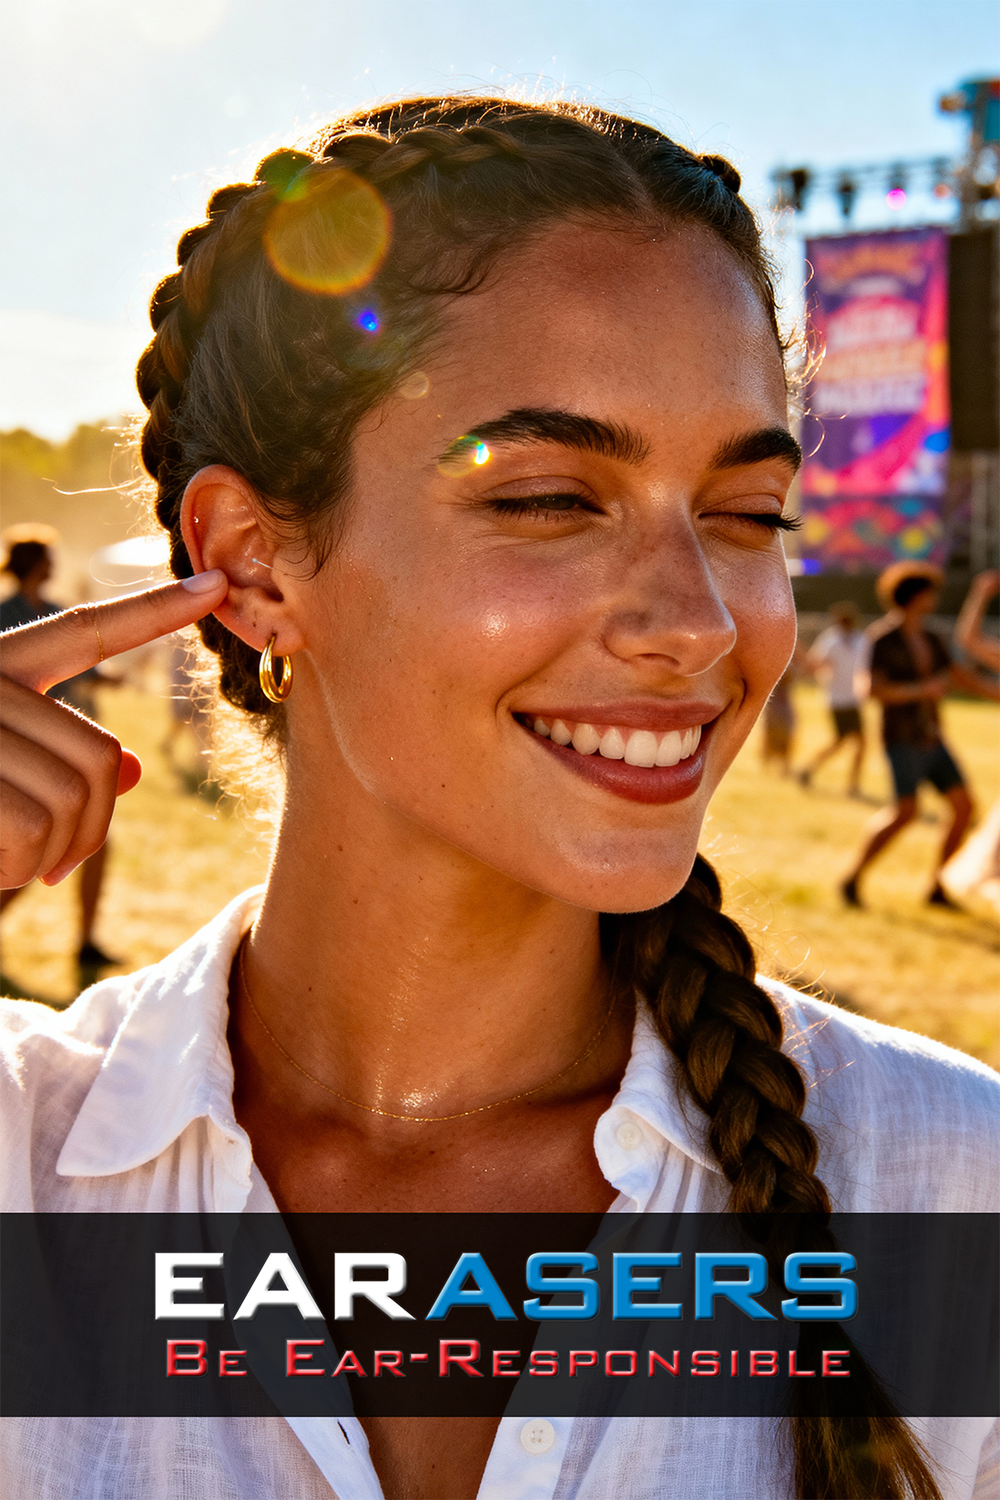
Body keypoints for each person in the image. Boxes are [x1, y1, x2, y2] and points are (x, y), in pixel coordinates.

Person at [1, 97, 996, 1500]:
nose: (700, 621)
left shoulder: (946, 1186)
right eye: (547, 498)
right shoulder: (26, 1159)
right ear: (257, 561)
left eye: (749, 514)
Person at [0, 527, 118, 976]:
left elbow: (80, 669)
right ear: (36, 563)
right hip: (22, 753)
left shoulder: (55, 612)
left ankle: (87, 940)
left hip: (67, 749)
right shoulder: (5, 615)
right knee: (38, 844)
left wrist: (110, 679)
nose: (55, 563)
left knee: (92, 842)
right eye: (49, 557)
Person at [840, 562, 984, 909]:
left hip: (933, 737)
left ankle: (937, 885)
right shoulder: (882, 639)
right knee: (905, 811)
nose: (935, 597)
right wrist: (921, 690)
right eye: (930, 591)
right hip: (902, 738)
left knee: (963, 808)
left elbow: (957, 675)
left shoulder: (932, 637)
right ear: (915, 596)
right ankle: (853, 877)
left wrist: (994, 692)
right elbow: (871, 690)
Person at [797, 600, 869, 796]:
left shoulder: (859, 640)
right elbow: (817, 665)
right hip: (837, 699)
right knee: (843, 742)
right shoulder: (831, 640)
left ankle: (849, 784)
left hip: (852, 699)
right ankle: (809, 769)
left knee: (856, 743)